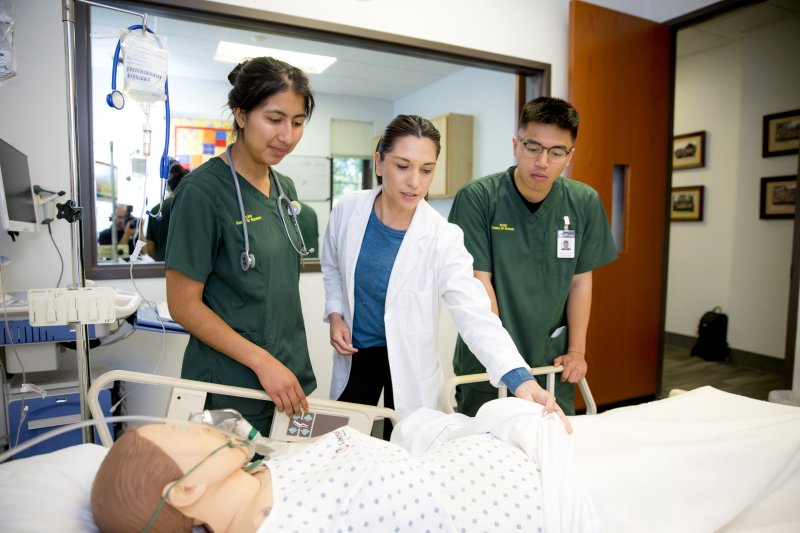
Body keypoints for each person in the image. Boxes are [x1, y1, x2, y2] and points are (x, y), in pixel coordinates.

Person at [321, 114, 563, 439]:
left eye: (426, 169)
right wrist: (336, 314)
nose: (415, 182)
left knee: (407, 448)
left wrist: (520, 378)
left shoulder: (443, 237)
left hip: (408, 360)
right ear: (379, 162)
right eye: (402, 166)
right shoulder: (347, 209)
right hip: (356, 352)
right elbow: (333, 267)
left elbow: (475, 314)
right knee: (340, 441)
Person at [91, 399, 589, 533]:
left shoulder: (264, 474)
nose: (199, 424)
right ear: (183, 492)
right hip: (552, 498)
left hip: (514, 452)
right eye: (181, 432)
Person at [165, 57, 317, 435]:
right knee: (230, 489)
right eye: (275, 119)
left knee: (280, 488)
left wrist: (279, 367)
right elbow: (182, 306)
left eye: (297, 123)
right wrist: (263, 363)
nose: (287, 135)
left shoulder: (286, 191)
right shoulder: (201, 193)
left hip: (286, 379)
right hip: (228, 385)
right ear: (241, 115)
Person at [448, 96, 617, 416]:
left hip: (550, 363)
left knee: (550, 451)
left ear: (570, 155)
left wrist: (577, 351)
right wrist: (507, 363)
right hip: (487, 364)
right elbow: (478, 281)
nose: (543, 161)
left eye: (556, 152)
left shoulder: (583, 202)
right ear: (516, 144)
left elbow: (580, 282)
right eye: (533, 147)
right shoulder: (479, 198)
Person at [144, 160, 189, 261]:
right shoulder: (195, 207)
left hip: (161, 268)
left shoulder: (156, 210)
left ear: (168, 184)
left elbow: (150, 249)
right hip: (189, 270)